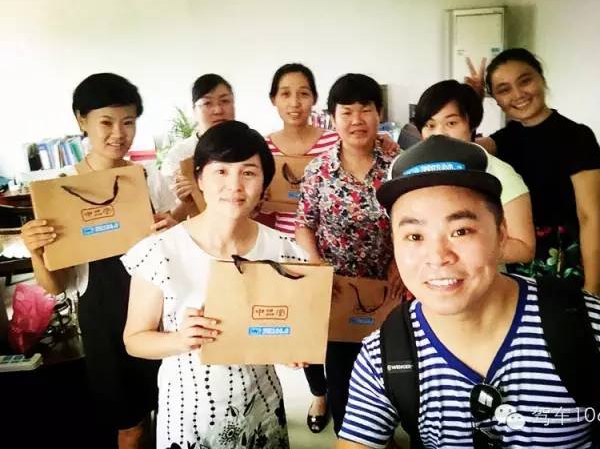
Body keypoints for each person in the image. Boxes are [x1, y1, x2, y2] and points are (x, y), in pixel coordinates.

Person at [336, 135, 600, 448]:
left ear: (502, 233)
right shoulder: (384, 357)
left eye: (461, 231)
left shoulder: (597, 331)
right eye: (414, 236)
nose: (438, 257)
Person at [123, 121, 308, 448]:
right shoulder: (160, 251)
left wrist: (293, 348)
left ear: (264, 182)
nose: (234, 185)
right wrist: (180, 339)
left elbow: (291, 328)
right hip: (190, 412)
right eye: (221, 171)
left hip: (261, 405)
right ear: (199, 179)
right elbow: (134, 340)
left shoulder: (284, 251)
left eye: (248, 172)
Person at [20, 73, 175, 448]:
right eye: (106, 122)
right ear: (81, 120)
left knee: (170, 415)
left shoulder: (149, 178)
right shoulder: (59, 190)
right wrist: (37, 251)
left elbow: (177, 249)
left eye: (128, 122)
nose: (119, 134)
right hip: (105, 321)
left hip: (159, 312)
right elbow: (55, 286)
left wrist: (175, 226)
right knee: (130, 427)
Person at [295, 73, 404, 435]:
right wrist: (317, 267)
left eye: (365, 109)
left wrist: (401, 263)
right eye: (346, 111)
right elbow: (304, 225)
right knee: (342, 377)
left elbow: (416, 221)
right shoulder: (318, 170)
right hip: (338, 293)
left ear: (379, 113)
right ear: (332, 118)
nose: (357, 120)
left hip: (391, 287)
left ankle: (385, 435)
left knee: (394, 371)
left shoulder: (398, 165)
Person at [469, 49, 600, 296]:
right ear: (496, 100)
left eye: (525, 81)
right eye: (504, 89)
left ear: (541, 79)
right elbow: (460, 150)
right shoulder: (505, 139)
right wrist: (472, 104)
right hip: (518, 257)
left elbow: (589, 216)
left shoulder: (577, 137)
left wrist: (594, 286)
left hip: (563, 261)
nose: (518, 94)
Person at [264, 62, 338, 432]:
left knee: (336, 325)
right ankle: (319, 393)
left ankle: (348, 392)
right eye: (286, 94)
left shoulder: (333, 141)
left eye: (303, 93)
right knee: (303, 326)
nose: (295, 102)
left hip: (332, 248)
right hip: (284, 249)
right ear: (273, 100)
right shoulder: (264, 147)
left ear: (314, 99)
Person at [414, 79, 535, 265]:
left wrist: (465, 246)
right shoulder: (414, 172)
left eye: (451, 123)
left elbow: (524, 249)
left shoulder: (499, 174)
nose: (439, 133)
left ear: (472, 124)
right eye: (430, 125)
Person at [161, 74, 235, 220]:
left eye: (225, 101)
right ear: (194, 110)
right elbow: (171, 219)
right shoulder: (179, 156)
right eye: (207, 103)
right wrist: (187, 199)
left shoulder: (248, 148)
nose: (218, 110)